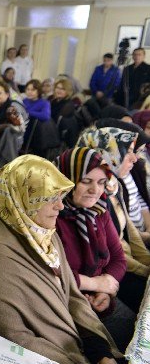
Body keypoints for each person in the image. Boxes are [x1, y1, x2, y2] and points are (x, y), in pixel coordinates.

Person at [0, 155, 120, 364]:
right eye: (50, 198)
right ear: (22, 199)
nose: (61, 206)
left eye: (60, 196)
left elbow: (72, 295)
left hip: (76, 345)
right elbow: (15, 339)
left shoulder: (41, 233)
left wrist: (99, 349)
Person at [54, 148, 135, 352]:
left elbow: (118, 259)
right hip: (65, 306)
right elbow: (49, 275)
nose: (95, 190)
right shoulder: (52, 216)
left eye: (101, 182)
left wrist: (104, 290)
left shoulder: (98, 210)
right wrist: (96, 283)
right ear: (65, 179)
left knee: (132, 331)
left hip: (100, 300)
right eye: (86, 181)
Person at [77, 126, 150, 312]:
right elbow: (112, 248)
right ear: (109, 154)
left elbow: (129, 233)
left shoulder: (113, 184)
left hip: (123, 262)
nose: (135, 158)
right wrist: (145, 271)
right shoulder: (92, 197)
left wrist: (147, 262)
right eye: (129, 152)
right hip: (110, 269)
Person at [51, 78, 80, 148]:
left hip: (58, 135)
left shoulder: (68, 105)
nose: (59, 90)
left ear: (67, 91)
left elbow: (58, 122)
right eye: (57, 88)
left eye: (63, 89)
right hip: (50, 130)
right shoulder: (53, 101)